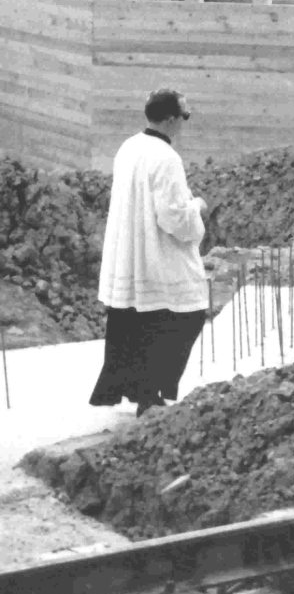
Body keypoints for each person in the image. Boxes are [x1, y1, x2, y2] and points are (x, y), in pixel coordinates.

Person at [90, 88, 209, 417]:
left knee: (138, 324)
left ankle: (143, 392)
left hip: (131, 254)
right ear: (170, 118)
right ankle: (152, 392)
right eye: (183, 117)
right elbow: (173, 217)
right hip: (156, 256)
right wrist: (197, 208)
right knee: (187, 315)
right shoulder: (166, 157)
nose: (184, 124)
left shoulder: (128, 146)